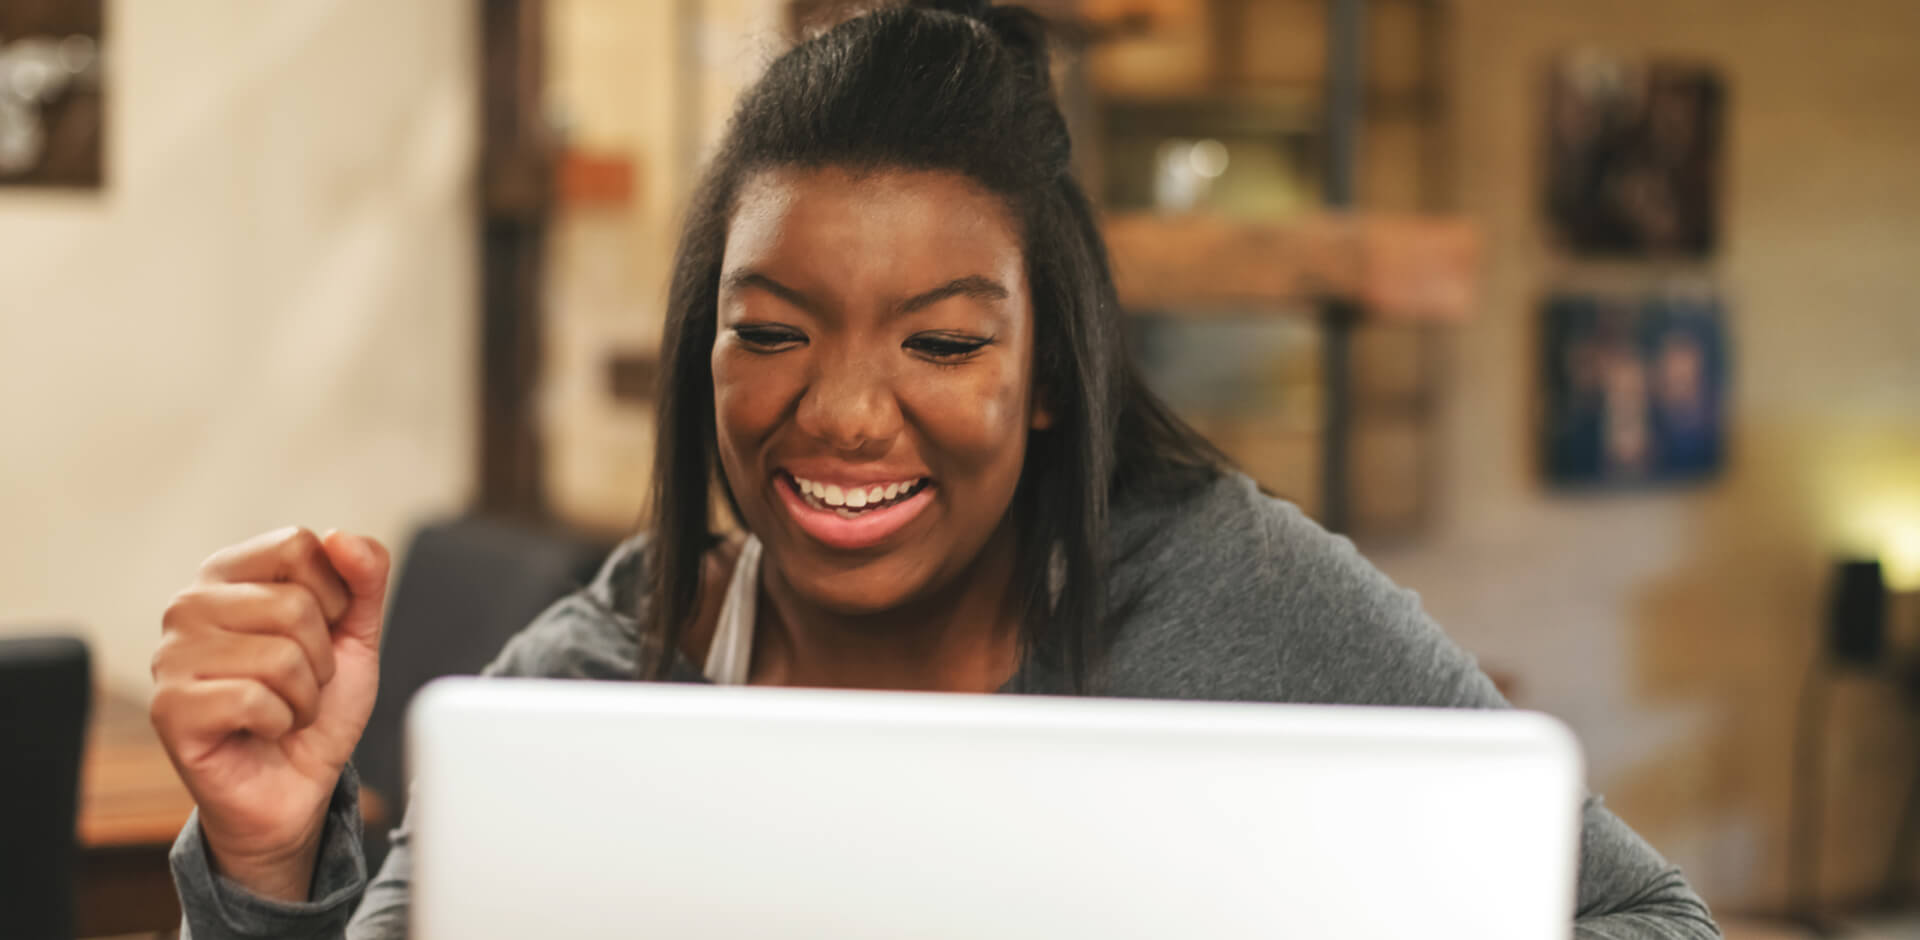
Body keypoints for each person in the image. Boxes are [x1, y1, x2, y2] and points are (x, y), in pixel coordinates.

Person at [151, 3, 1722, 937]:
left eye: (943, 343)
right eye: (770, 330)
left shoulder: (1221, 589)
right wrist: (273, 851)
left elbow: (1656, 918)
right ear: (705, 346)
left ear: (1050, 378)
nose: (840, 413)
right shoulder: (616, 669)